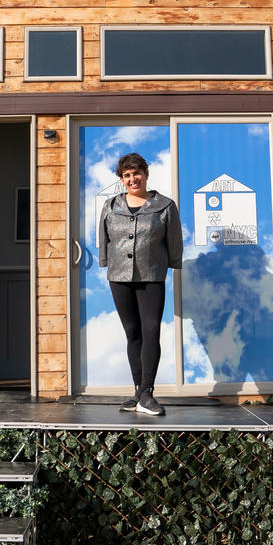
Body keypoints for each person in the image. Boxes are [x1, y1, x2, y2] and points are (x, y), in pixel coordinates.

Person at [98, 152, 182, 415]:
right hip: (119, 277)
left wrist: (170, 265)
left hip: (152, 277)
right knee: (132, 332)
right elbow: (104, 240)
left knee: (151, 331)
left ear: (146, 174)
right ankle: (137, 392)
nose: (133, 179)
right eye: (127, 175)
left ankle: (147, 393)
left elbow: (174, 242)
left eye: (137, 173)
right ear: (122, 179)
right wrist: (105, 262)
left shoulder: (165, 206)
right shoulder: (111, 206)